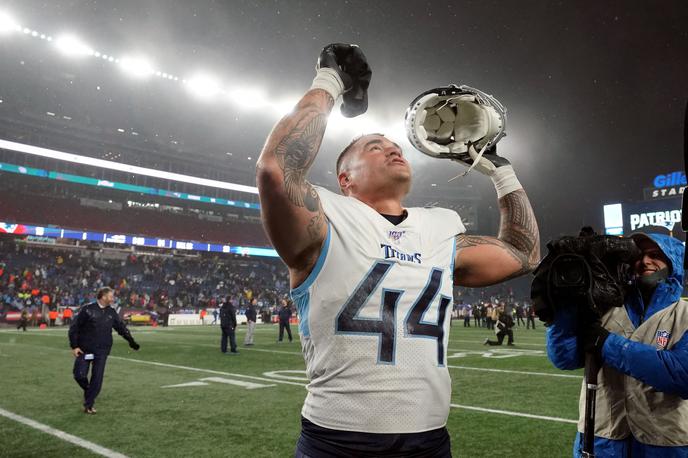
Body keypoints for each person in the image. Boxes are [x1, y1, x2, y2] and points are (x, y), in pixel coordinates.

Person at [256, 43, 540, 456]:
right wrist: (330, 81)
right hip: (337, 438)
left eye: (396, 146)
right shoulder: (326, 217)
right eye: (374, 146)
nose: (392, 148)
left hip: (429, 439)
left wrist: (500, 171)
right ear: (345, 179)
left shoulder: (440, 227)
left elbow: (523, 253)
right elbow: (276, 169)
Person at [546, 233, 688, 457]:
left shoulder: (685, 314)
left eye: (655, 255)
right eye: (639, 255)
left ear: (674, 260)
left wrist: (606, 343)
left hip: (666, 444)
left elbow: (681, 374)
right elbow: (564, 358)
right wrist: (566, 307)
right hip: (601, 440)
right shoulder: (604, 307)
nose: (645, 261)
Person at [68, 287, 140, 414]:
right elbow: (74, 328)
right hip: (84, 350)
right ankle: (89, 390)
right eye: (111, 296)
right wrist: (75, 346)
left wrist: (131, 342)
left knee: (97, 378)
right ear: (103, 296)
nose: (113, 298)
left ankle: (89, 405)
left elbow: (121, 328)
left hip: (102, 350)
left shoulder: (111, 312)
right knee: (79, 375)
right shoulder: (87, 310)